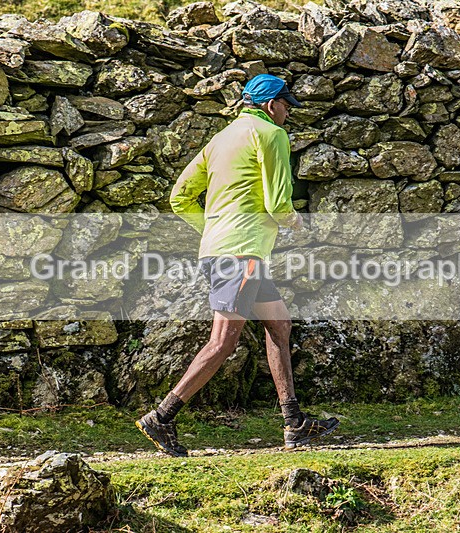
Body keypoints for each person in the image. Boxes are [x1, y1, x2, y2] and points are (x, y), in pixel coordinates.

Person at [135, 74, 340, 457]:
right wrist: (295, 221)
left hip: (225, 251)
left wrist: (214, 230)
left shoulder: (220, 139)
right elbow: (279, 204)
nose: (287, 115)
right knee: (223, 341)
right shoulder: (272, 135)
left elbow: (180, 198)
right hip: (242, 255)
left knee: (279, 325)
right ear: (269, 105)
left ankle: (294, 424)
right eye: (285, 106)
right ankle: (162, 417)